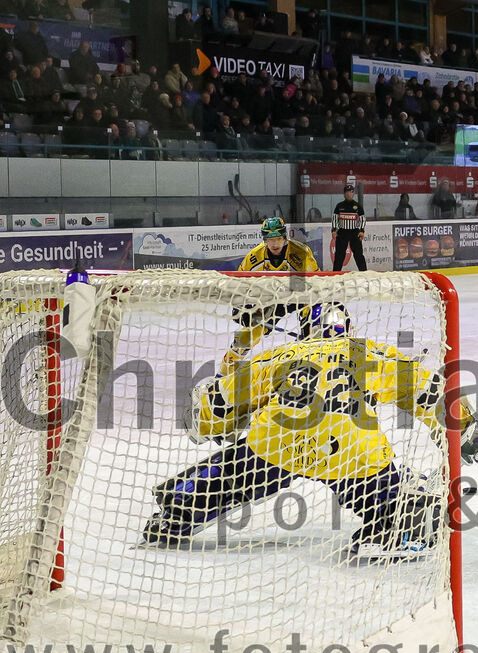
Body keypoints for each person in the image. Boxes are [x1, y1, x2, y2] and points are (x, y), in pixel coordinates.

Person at [144, 305, 446, 562]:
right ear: (348, 326)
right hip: (352, 450)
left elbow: (217, 405)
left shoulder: (280, 355)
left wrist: (211, 423)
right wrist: (466, 432)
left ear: (304, 328)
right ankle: (394, 527)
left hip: (277, 443)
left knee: (233, 474)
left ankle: (178, 511)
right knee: (384, 496)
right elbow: (429, 392)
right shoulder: (369, 352)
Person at [219, 217, 320, 376]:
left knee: (315, 323)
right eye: (270, 239)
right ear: (264, 240)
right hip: (270, 300)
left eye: (278, 239)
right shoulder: (255, 256)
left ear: (284, 237)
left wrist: (306, 319)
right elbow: (239, 284)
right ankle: (222, 375)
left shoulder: (301, 253)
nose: (274, 244)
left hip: (299, 296)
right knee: (247, 335)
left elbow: (316, 285)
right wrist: (240, 306)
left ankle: (311, 366)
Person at [332, 183, 367, 271]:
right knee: (339, 254)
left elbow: (362, 219)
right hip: (342, 232)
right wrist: (334, 230)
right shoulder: (339, 206)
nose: (349, 194)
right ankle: (335, 273)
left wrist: (362, 230)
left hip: (354, 232)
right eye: (347, 192)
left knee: (358, 254)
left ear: (353, 194)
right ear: (344, 194)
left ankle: (364, 272)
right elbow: (335, 218)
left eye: (351, 192)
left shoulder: (358, 206)